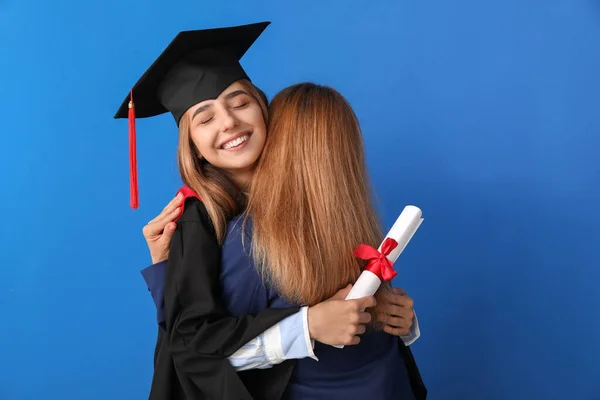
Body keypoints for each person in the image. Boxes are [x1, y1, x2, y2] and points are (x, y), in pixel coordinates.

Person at [114, 22, 396, 400]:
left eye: (239, 102)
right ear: (193, 145)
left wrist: (384, 308)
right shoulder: (200, 216)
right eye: (205, 117)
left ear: (264, 110)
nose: (229, 121)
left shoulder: (305, 189)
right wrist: (308, 324)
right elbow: (190, 344)